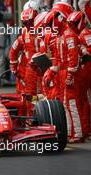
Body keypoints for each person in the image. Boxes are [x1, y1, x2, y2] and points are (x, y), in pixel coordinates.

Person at [43, 3, 84, 142]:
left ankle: (77, 133)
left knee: (72, 104)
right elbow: (59, 59)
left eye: (52, 21)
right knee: (64, 104)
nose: (51, 25)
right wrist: (52, 72)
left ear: (60, 17)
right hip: (62, 74)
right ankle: (68, 132)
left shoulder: (68, 35)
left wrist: (71, 74)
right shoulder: (60, 35)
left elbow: (73, 57)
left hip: (68, 74)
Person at [69, 11, 91, 139]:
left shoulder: (85, 34)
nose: (72, 26)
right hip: (83, 71)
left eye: (74, 23)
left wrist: (82, 54)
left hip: (86, 70)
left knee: (85, 100)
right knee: (82, 100)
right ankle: (85, 129)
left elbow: (89, 53)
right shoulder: (77, 34)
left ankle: (86, 129)